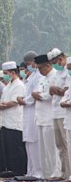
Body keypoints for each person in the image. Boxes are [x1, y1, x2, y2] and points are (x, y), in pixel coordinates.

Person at [0, 61, 27, 177]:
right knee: (8, 148)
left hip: (15, 121)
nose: (5, 75)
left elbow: (14, 102)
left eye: (6, 73)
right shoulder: (8, 86)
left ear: (12, 72)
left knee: (16, 148)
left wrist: (1, 105)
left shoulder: (19, 85)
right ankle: (10, 170)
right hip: (5, 121)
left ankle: (19, 170)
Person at [17, 51, 42, 178]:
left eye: (29, 64)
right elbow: (28, 94)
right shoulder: (30, 76)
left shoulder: (39, 76)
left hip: (33, 111)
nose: (28, 67)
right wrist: (23, 98)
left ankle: (38, 171)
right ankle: (31, 170)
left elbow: (34, 96)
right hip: (27, 111)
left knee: (34, 141)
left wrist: (24, 100)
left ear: (34, 61)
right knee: (28, 141)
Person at [48, 48, 70, 178]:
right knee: (59, 145)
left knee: (67, 145)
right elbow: (51, 91)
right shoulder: (57, 73)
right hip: (55, 111)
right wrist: (53, 89)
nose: (56, 64)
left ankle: (69, 174)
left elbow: (66, 91)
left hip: (64, 112)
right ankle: (63, 173)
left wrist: (57, 90)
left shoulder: (68, 71)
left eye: (56, 62)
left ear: (61, 59)